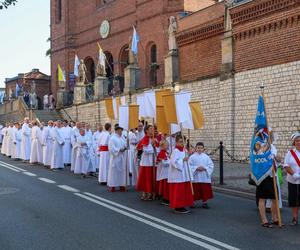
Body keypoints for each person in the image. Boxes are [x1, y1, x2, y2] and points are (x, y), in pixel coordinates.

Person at [168, 135, 194, 214]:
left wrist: (188, 157)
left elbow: (188, 161)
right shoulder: (176, 151)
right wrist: (182, 160)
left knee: (184, 190)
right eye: (180, 141)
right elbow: (173, 162)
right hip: (178, 174)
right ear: (176, 142)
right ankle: (178, 206)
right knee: (179, 190)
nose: (182, 143)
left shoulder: (184, 150)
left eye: (183, 141)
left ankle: (183, 204)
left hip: (184, 173)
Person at [189, 142, 214, 209]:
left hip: (204, 176)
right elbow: (189, 166)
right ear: (196, 148)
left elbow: (211, 165)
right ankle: (192, 202)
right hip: (196, 176)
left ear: (203, 149)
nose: (199, 149)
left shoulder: (206, 157)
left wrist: (205, 168)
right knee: (195, 190)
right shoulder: (192, 157)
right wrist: (196, 168)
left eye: (201, 148)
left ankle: (204, 202)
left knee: (204, 190)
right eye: (198, 148)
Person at [136, 125, 158, 200]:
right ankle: (145, 192)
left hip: (153, 161)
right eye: (151, 129)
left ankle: (152, 192)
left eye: (153, 128)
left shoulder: (154, 139)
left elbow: (158, 150)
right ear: (146, 131)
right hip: (146, 161)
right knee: (146, 177)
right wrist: (152, 146)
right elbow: (146, 150)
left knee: (152, 177)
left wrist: (155, 146)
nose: (152, 130)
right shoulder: (145, 139)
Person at [284, 132, 300, 226]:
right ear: (294, 142)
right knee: (294, 200)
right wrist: (293, 174)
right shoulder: (290, 153)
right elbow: (286, 165)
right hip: (292, 180)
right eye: (297, 141)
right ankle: (294, 218)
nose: (299, 142)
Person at [107, 124, 128, 192]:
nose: (120, 132)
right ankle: (112, 186)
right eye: (119, 130)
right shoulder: (112, 138)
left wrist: (125, 146)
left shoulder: (122, 137)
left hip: (122, 157)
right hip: (115, 157)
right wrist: (119, 150)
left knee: (122, 171)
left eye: (121, 131)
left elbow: (125, 145)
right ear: (116, 131)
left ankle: (122, 185)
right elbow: (111, 148)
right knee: (114, 172)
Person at [156, 140, 170, 206]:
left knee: (167, 186)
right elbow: (164, 163)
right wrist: (170, 161)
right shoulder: (162, 153)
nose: (167, 146)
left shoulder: (166, 152)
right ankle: (165, 199)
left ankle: (167, 198)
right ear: (162, 146)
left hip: (167, 172)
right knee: (165, 187)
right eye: (166, 145)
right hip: (164, 172)